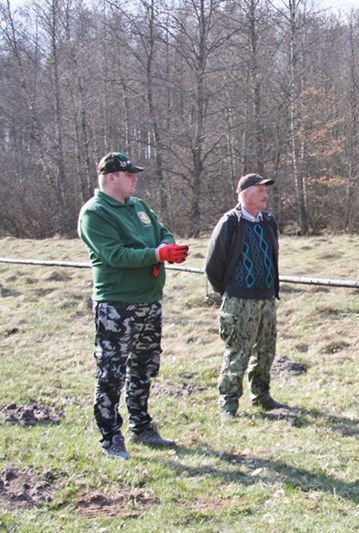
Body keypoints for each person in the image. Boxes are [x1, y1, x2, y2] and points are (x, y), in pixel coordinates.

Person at [78, 151, 188, 459]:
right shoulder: (95, 213)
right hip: (117, 305)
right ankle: (110, 437)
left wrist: (166, 245)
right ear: (111, 177)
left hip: (149, 301)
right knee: (112, 372)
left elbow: (162, 231)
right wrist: (156, 255)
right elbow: (116, 255)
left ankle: (142, 427)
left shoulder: (139, 206)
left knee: (143, 368)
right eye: (129, 175)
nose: (134, 179)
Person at [205, 173, 284, 421]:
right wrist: (231, 291)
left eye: (265, 190)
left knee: (266, 351)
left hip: (266, 299)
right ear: (245, 194)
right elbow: (212, 265)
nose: (265, 195)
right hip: (239, 301)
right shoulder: (230, 223)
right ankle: (228, 404)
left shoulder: (268, 221)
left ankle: (262, 395)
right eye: (260, 191)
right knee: (238, 352)